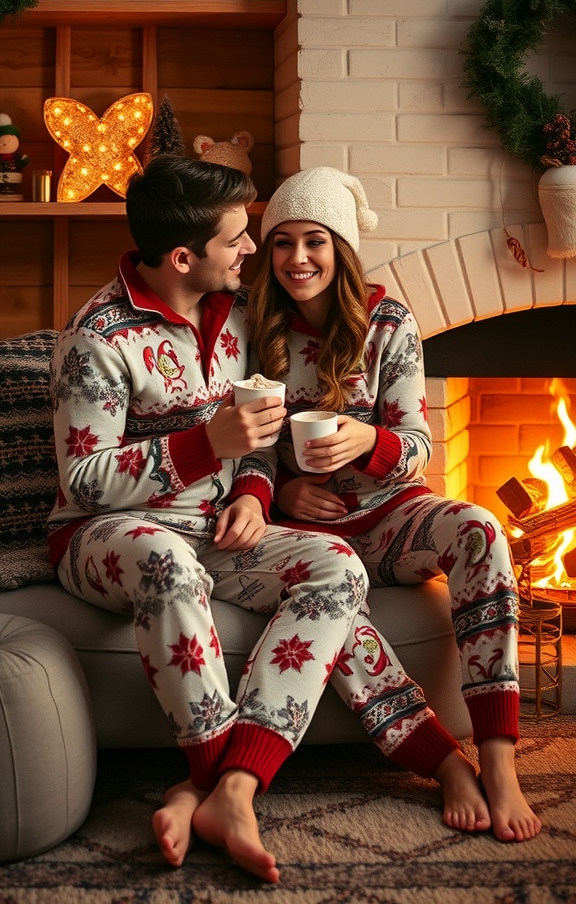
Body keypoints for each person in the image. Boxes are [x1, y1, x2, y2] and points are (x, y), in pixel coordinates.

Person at [48, 155, 370, 883]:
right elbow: (86, 479)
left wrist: (254, 490)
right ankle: (209, 770)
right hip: (104, 535)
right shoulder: (96, 338)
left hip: (215, 526)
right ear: (184, 256)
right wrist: (204, 446)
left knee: (337, 564)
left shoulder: (238, 316)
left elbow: (257, 429)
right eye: (239, 240)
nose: (256, 251)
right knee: (167, 561)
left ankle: (229, 788)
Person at [248, 165, 542, 843]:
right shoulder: (253, 326)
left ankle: (498, 760)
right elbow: (247, 448)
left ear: (341, 249)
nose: (298, 259)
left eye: (315, 241)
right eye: (283, 243)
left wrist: (367, 439)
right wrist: (285, 488)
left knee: (480, 530)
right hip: (308, 536)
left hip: (391, 520)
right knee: (329, 592)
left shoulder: (388, 322)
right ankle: (443, 763)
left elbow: (418, 446)